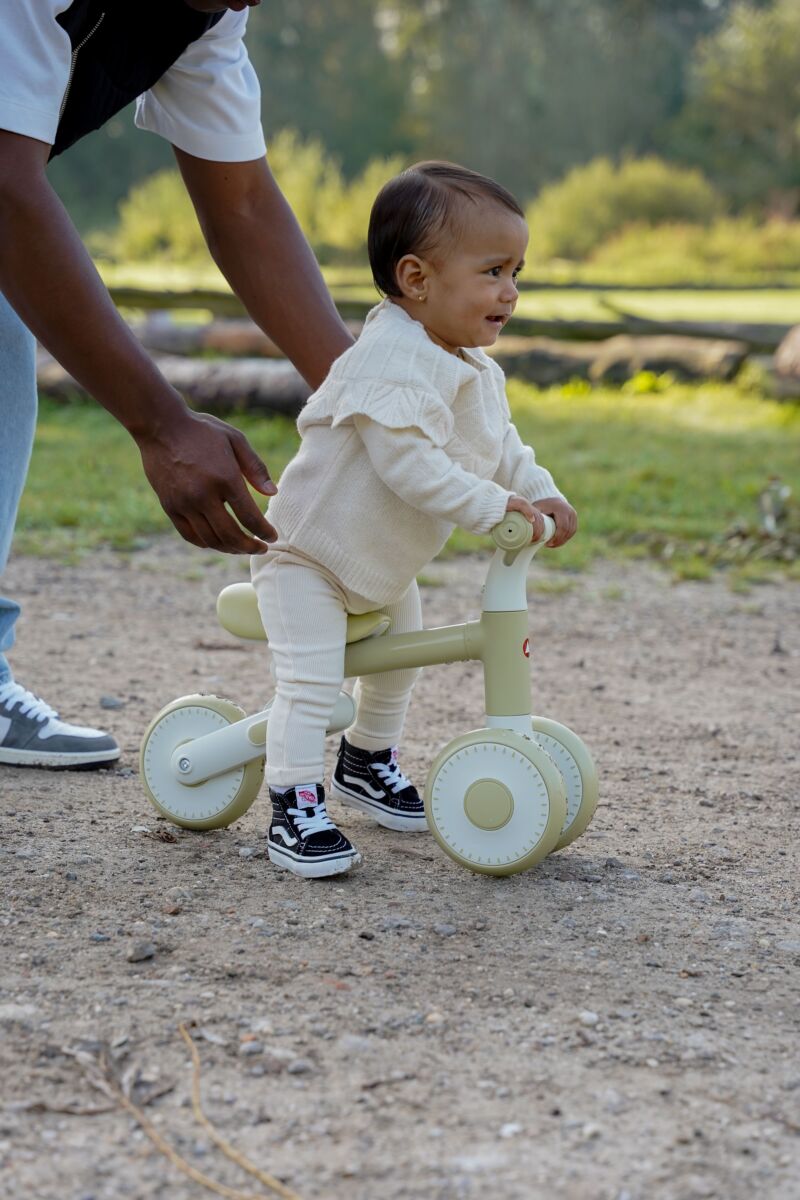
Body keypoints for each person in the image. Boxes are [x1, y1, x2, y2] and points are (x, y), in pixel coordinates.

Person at [0, 1, 354, 767]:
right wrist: (161, 424)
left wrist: (368, 399)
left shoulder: (207, 13)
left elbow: (245, 205)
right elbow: (5, 188)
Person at [251, 160, 578, 879]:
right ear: (417, 279)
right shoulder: (391, 359)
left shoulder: (472, 366)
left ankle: (366, 759)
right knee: (310, 685)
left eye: (517, 271)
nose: (511, 291)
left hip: (380, 563)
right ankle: (293, 802)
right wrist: (497, 510)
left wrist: (539, 492)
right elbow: (409, 466)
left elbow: (502, 450)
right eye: (493, 271)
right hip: (307, 556)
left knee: (401, 663)